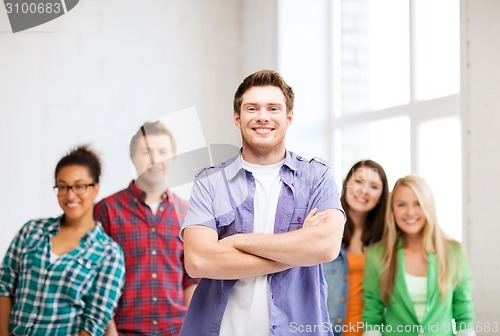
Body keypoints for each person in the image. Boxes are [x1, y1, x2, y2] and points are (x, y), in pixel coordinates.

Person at [179, 69, 346, 336]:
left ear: (288, 118)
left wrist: (237, 241)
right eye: (252, 108)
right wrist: (297, 250)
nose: (262, 117)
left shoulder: (316, 177)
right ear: (237, 117)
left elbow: (325, 247)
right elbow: (198, 260)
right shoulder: (210, 182)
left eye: (273, 108)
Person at [0, 146, 125, 336]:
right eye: (62, 186)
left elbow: (94, 324)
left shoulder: (109, 254)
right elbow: (4, 286)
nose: (70, 195)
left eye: (79, 186)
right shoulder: (31, 231)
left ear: (95, 188)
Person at [94, 121, 198, 335]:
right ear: (133, 158)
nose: (155, 159)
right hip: (124, 330)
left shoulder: (188, 212)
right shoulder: (107, 210)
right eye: (147, 152)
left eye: (163, 152)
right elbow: (96, 278)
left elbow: (191, 280)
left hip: (175, 330)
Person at [362, 175, 476, 336]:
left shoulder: (454, 252)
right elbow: (372, 315)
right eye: (401, 205)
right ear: (392, 210)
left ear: (429, 207)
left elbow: (464, 313)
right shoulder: (377, 254)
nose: (410, 212)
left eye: (418, 204)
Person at [323, 160, 389, 336]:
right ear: (346, 184)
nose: (363, 190)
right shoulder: (325, 230)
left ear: (382, 195)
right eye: (358, 181)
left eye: (374, 186)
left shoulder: (386, 239)